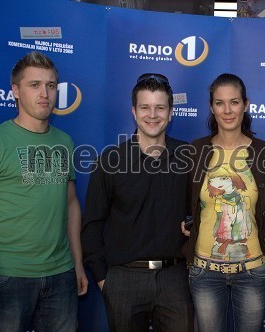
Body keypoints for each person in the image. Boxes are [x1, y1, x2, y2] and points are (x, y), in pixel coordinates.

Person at [81, 73, 193, 331]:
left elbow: (201, 210)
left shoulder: (189, 158)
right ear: (134, 112)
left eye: (160, 107)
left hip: (176, 278)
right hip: (123, 280)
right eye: (145, 107)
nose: (152, 115)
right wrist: (103, 280)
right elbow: (92, 224)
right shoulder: (110, 160)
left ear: (171, 112)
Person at [0, 51, 88, 331]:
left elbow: (71, 205)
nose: (44, 93)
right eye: (34, 85)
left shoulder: (65, 141)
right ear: (15, 91)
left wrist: (78, 264)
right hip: (7, 276)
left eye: (50, 85)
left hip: (60, 274)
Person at [181, 73, 265, 332]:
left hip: (253, 271)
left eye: (234, 102)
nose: (227, 110)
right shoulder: (196, 150)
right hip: (204, 272)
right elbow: (187, 202)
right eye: (220, 103)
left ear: (245, 104)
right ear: (211, 107)